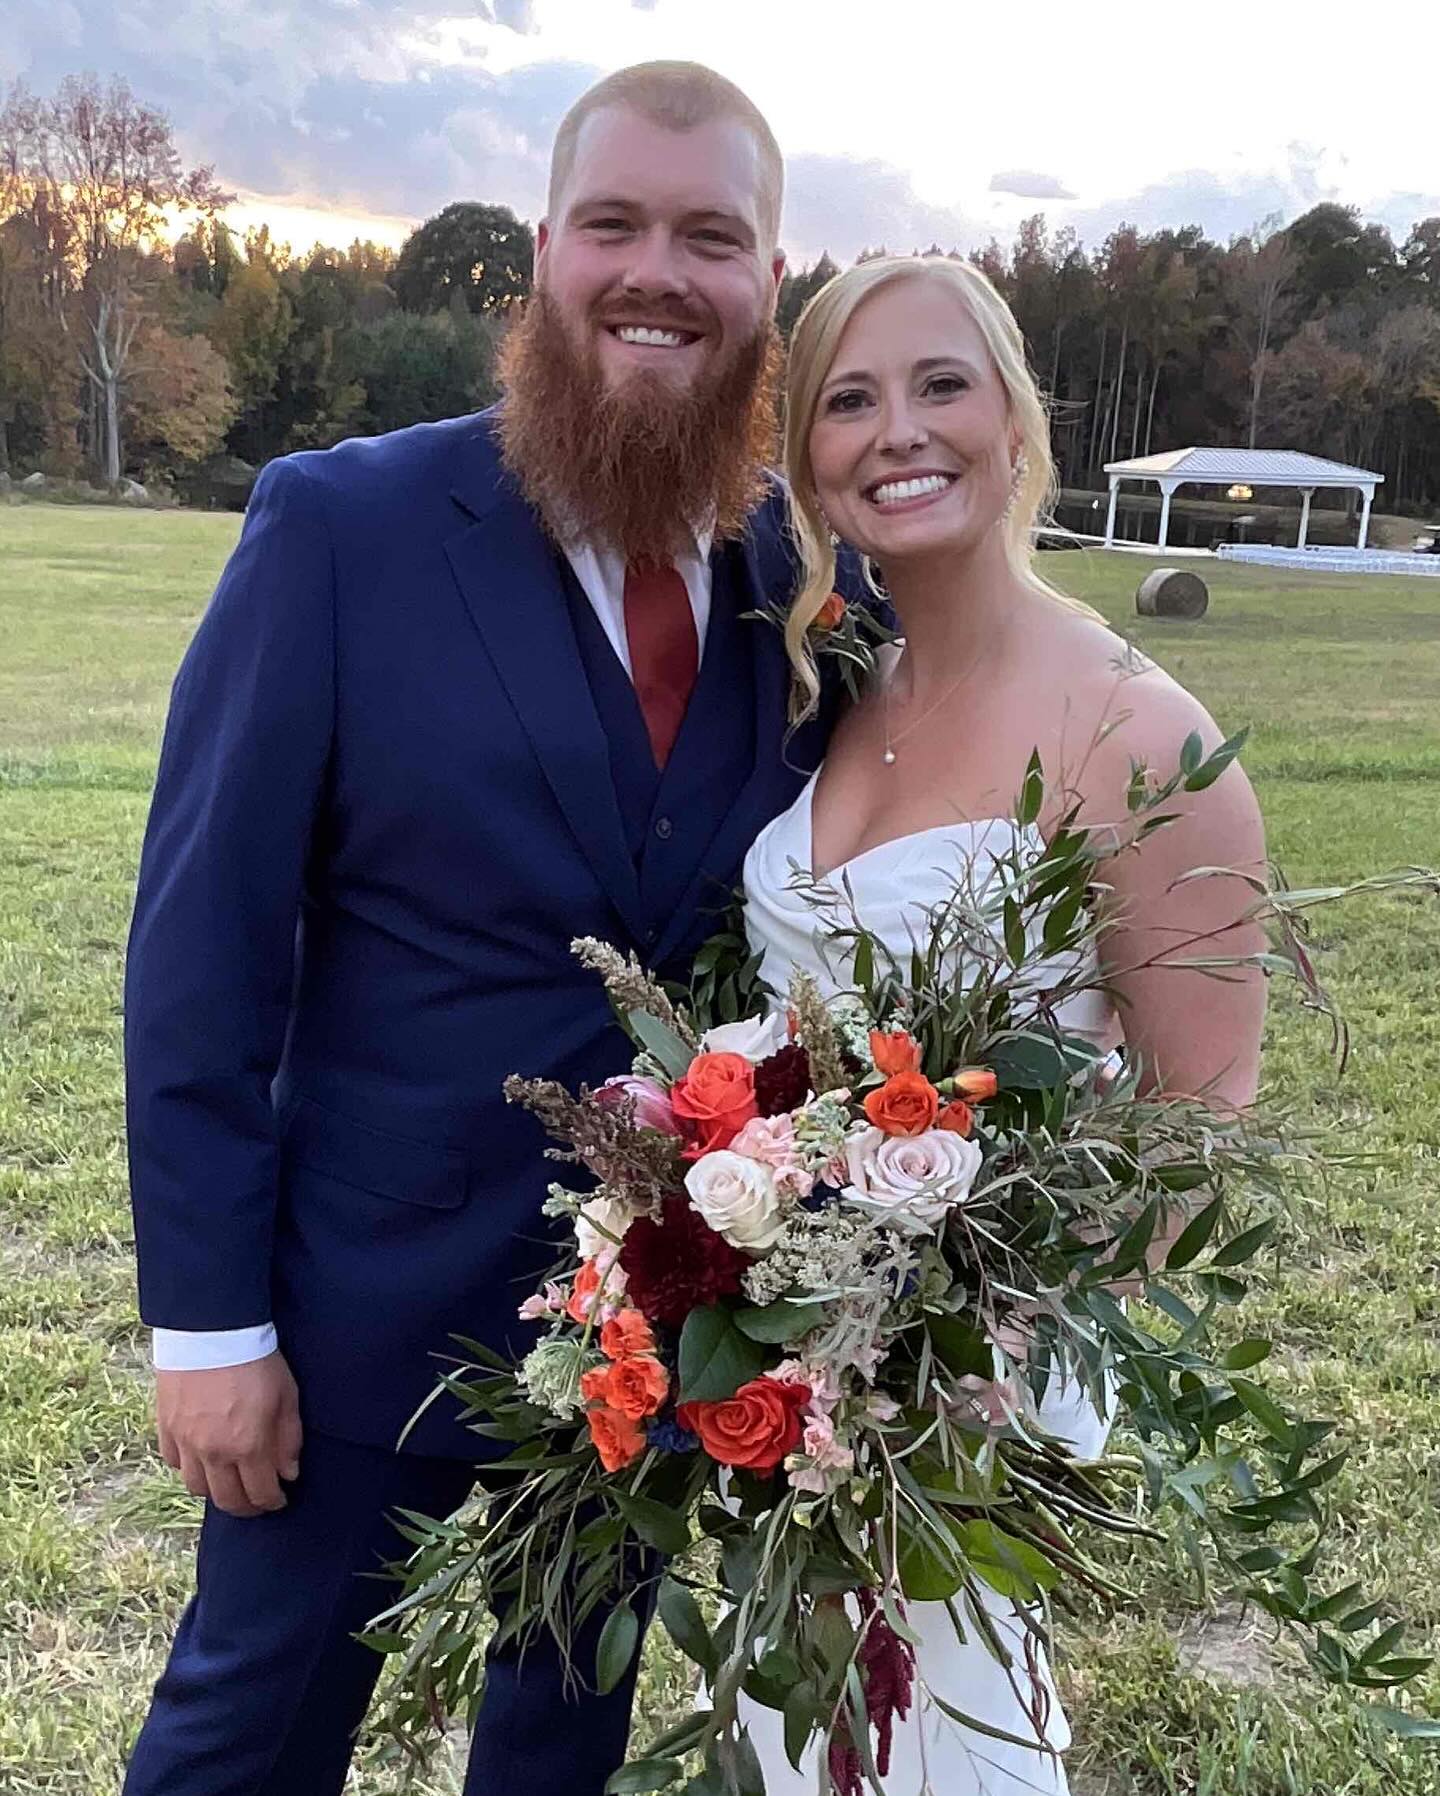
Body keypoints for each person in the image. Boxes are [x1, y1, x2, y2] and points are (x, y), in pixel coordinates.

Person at [122, 61, 864, 1796]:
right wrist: (210, 1329)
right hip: (344, 1319)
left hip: (663, 1329)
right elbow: (201, 954)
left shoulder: (813, 587)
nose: (654, 274)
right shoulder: (344, 526)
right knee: (249, 1735)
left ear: (769, 278)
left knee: (559, 1748)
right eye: (612, 223)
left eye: (710, 237)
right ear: (541, 253)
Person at [740, 255, 1269, 1793]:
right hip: (797, 1364)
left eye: (940, 385)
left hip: (965, 1396)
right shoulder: (844, 686)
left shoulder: (1142, 734)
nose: (897, 431)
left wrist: (984, 1331)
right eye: (849, 400)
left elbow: (1204, 1112)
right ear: (811, 463)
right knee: (803, 1734)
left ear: (1017, 419)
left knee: (946, 1749)